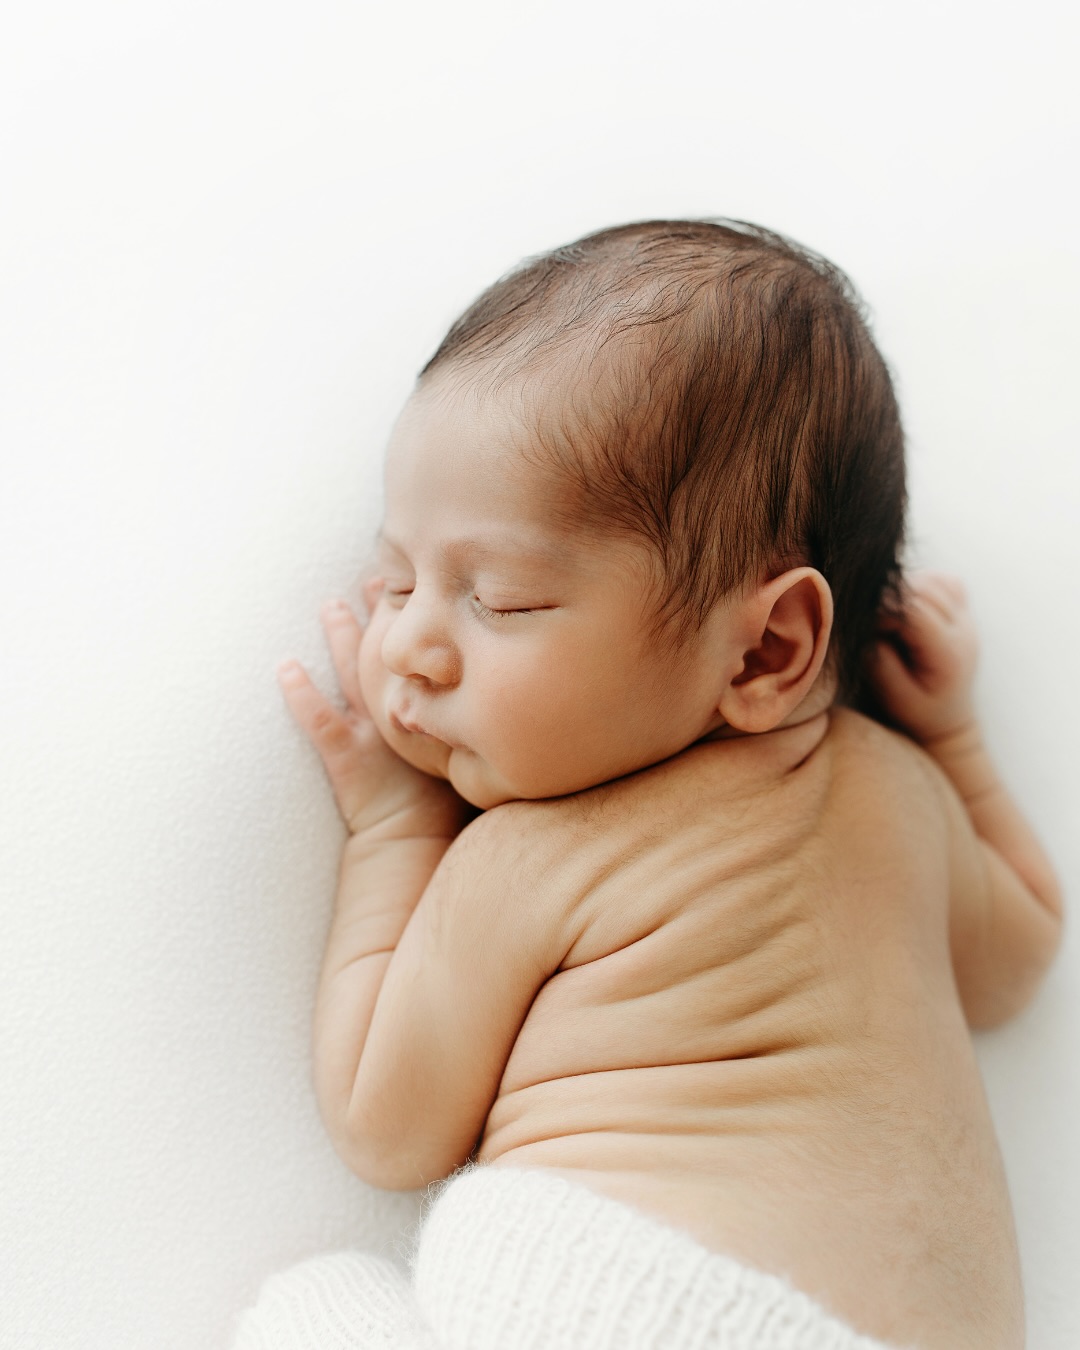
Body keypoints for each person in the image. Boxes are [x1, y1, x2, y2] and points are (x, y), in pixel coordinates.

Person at [260, 221, 1061, 1350]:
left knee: (312, 1305)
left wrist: (395, 826)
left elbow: (384, 1128)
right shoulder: (906, 795)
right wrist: (956, 741)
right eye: (396, 584)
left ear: (766, 650)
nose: (407, 647)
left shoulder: (529, 854)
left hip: (626, 1304)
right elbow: (1022, 957)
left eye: (500, 600)